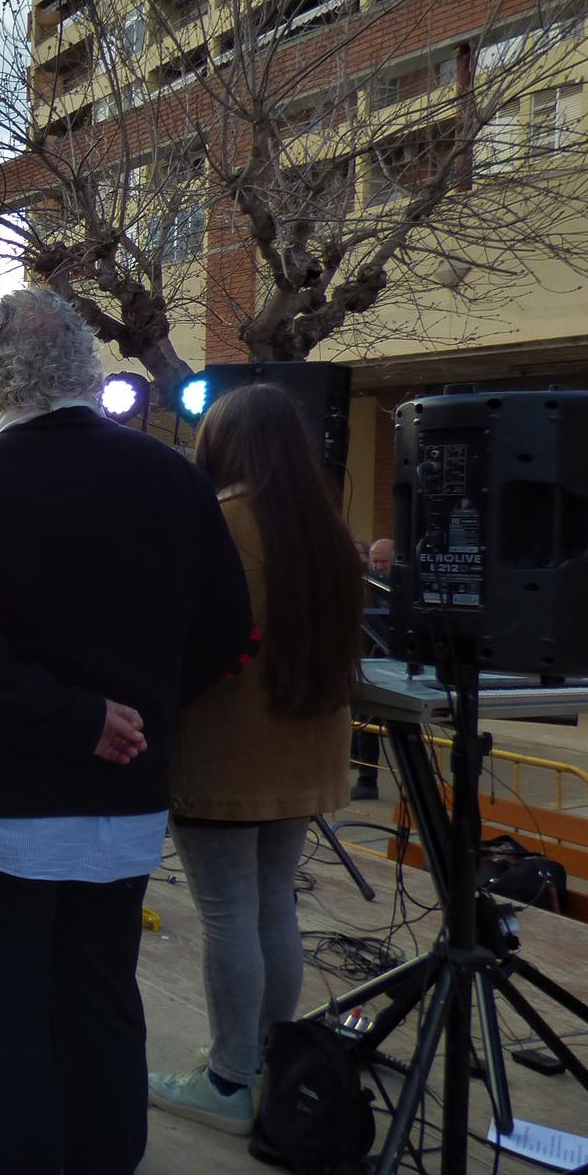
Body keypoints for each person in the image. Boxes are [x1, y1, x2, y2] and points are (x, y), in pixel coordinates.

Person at [0, 289, 252, 1175]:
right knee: (102, 1009)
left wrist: (72, 720)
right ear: (84, 361)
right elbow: (225, 628)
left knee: (4, 1014)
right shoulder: (168, 478)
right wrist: (131, 714)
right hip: (124, 806)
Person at [148, 383, 367, 1132]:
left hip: (225, 754)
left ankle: (228, 1077)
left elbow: (183, 639)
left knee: (227, 913)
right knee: (274, 904)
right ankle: (272, 1065)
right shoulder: (326, 532)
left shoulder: (221, 525)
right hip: (305, 754)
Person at [349, 536, 395, 801]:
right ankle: (365, 776)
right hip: (365, 661)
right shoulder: (363, 587)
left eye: (383, 561)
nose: (378, 566)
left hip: (392, 663)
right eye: (375, 561)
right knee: (364, 724)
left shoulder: (399, 587)